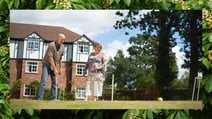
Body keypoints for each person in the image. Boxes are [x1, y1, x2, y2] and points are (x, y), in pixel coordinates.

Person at [38, 33, 65, 100]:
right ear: (58, 39)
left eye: (64, 40)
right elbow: (50, 58)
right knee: (43, 82)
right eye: (62, 40)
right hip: (46, 64)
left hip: (55, 65)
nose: (63, 41)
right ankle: (40, 98)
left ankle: (53, 99)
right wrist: (55, 68)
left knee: (55, 83)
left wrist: (60, 68)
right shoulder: (51, 45)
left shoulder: (62, 47)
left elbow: (60, 58)